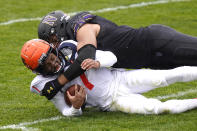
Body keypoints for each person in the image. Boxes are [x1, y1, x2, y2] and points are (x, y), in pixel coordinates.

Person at [21, 39, 197, 116]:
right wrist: (75, 107)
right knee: (158, 109)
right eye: (46, 65)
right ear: (37, 70)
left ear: (54, 50)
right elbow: (66, 112)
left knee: (166, 76)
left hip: (121, 79)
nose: (53, 64)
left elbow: (111, 57)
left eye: (52, 58)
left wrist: (98, 63)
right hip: (110, 102)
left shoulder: (69, 47)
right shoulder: (42, 84)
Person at [37, 10, 197, 94]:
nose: (54, 45)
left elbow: (86, 57)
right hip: (151, 59)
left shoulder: (79, 27)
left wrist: (58, 83)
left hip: (157, 42)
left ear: (59, 28)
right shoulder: (72, 40)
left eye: (53, 39)